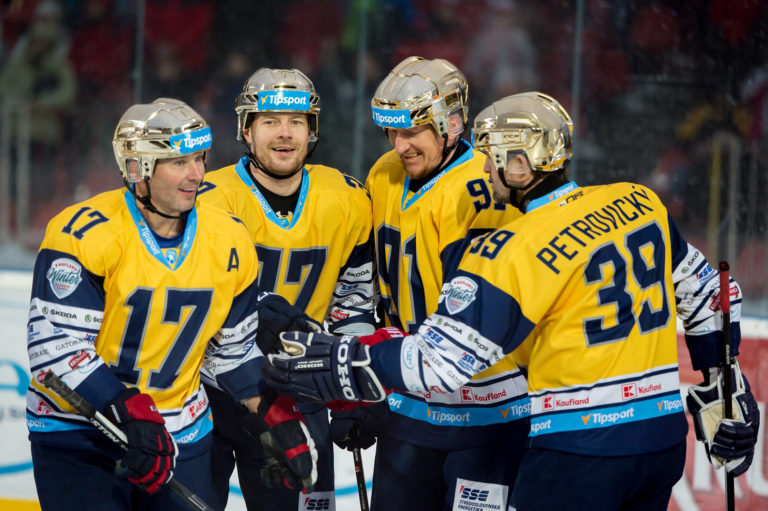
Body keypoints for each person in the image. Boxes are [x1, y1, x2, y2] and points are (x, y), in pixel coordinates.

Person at [264, 91, 761, 511]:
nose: (483, 168)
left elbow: (439, 362)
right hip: (661, 445)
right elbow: (712, 294)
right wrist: (725, 387)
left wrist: (341, 359)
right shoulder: (637, 201)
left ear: (519, 164)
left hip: (577, 451)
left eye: (490, 157)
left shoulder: (514, 248)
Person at [25, 98, 320, 511]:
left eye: (199, 159)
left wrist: (275, 414)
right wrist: (129, 411)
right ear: (138, 168)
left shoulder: (229, 238)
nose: (196, 174)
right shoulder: (83, 233)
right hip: (81, 433)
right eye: (179, 162)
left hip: (180, 433)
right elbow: (55, 349)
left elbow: (231, 352)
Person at [328, 56, 531, 511]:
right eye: (391, 131)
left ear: (451, 124)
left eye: (412, 131)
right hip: (407, 402)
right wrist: (361, 383)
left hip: (487, 408)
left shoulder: (487, 187)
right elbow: (363, 281)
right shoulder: (384, 173)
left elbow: (495, 312)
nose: (399, 145)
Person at [197, 68, 379, 511]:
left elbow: (352, 304)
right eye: (270, 121)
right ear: (246, 130)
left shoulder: (348, 199)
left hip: (298, 389)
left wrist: (350, 388)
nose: (284, 133)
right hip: (207, 391)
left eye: (296, 121)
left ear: (311, 130)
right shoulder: (205, 198)